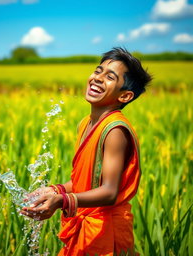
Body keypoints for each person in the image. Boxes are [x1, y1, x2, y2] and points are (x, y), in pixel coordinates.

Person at [21, 47, 152, 255]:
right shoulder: (86, 123)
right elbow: (88, 183)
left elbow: (109, 192)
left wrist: (63, 201)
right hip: (87, 227)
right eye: (98, 71)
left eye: (110, 77)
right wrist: (56, 190)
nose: (98, 78)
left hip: (106, 232)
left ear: (125, 95)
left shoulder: (114, 131)